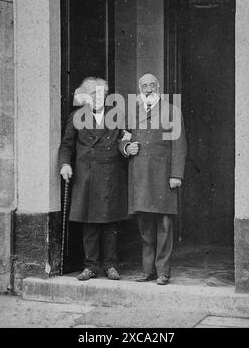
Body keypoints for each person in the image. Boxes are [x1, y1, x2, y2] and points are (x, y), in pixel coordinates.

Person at [119, 73, 187, 285]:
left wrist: (176, 174)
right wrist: (126, 148)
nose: (148, 89)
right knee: (145, 227)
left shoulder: (171, 111)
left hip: (163, 177)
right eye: (143, 86)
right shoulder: (133, 112)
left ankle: (163, 272)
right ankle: (147, 271)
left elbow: (179, 145)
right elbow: (122, 138)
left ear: (158, 87)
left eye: (151, 85)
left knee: (164, 226)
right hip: (140, 176)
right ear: (139, 89)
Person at [59, 77, 127, 281]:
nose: (99, 98)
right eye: (94, 94)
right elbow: (66, 145)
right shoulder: (76, 117)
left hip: (109, 174)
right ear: (86, 97)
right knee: (89, 223)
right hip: (86, 176)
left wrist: (126, 145)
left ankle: (110, 265)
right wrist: (65, 164)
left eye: (102, 94)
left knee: (109, 222)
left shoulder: (115, 116)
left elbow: (126, 139)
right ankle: (90, 266)